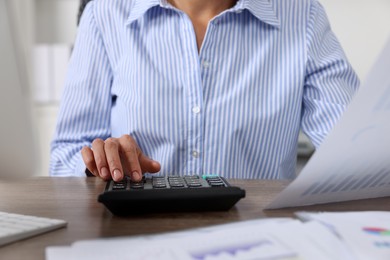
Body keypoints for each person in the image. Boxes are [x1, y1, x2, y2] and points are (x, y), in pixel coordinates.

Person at [50, 0, 359, 182]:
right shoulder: (105, 14)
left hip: (259, 243)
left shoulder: (302, 16)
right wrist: (99, 165)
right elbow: (64, 156)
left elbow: (359, 150)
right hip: (137, 239)